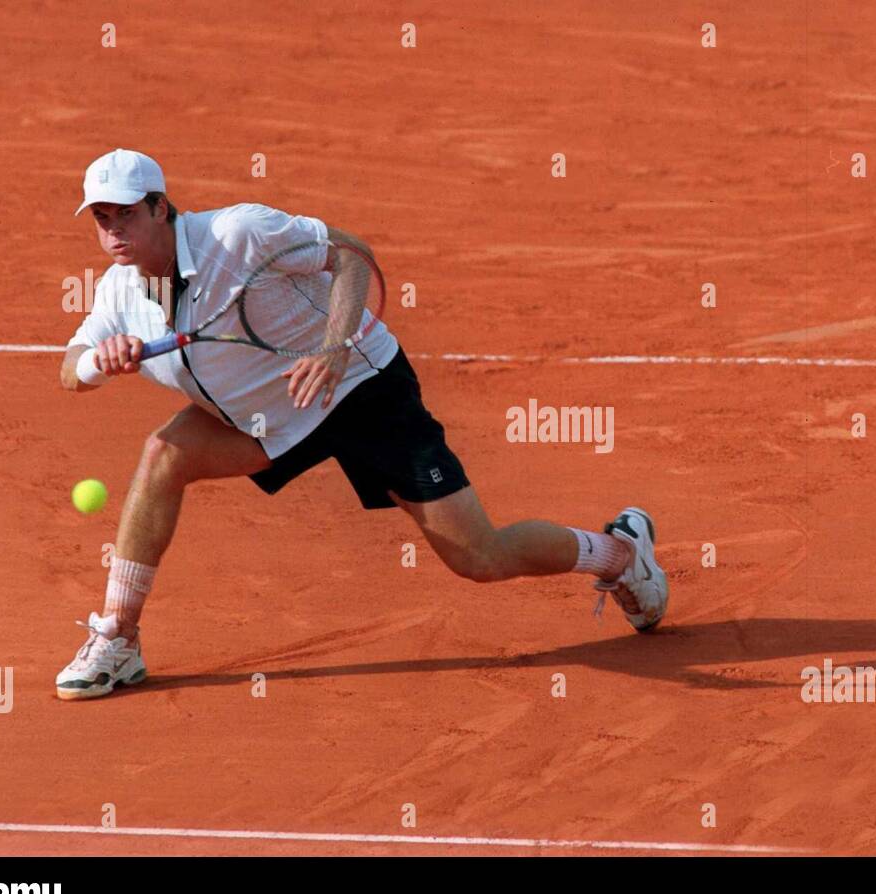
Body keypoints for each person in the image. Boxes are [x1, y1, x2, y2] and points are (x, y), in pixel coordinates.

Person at [55, 149, 669, 700]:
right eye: (101, 219)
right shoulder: (118, 295)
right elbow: (67, 371)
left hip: (357, 388)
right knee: (164, 453)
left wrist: (334, 345)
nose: (112, 231)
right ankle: (119, 637)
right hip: (267, 420)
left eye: (125, 214)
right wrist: (97, 363)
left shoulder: (238, 233)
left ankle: (618, 555)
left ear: (161, 208)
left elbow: (351, 258)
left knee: (478, 556)